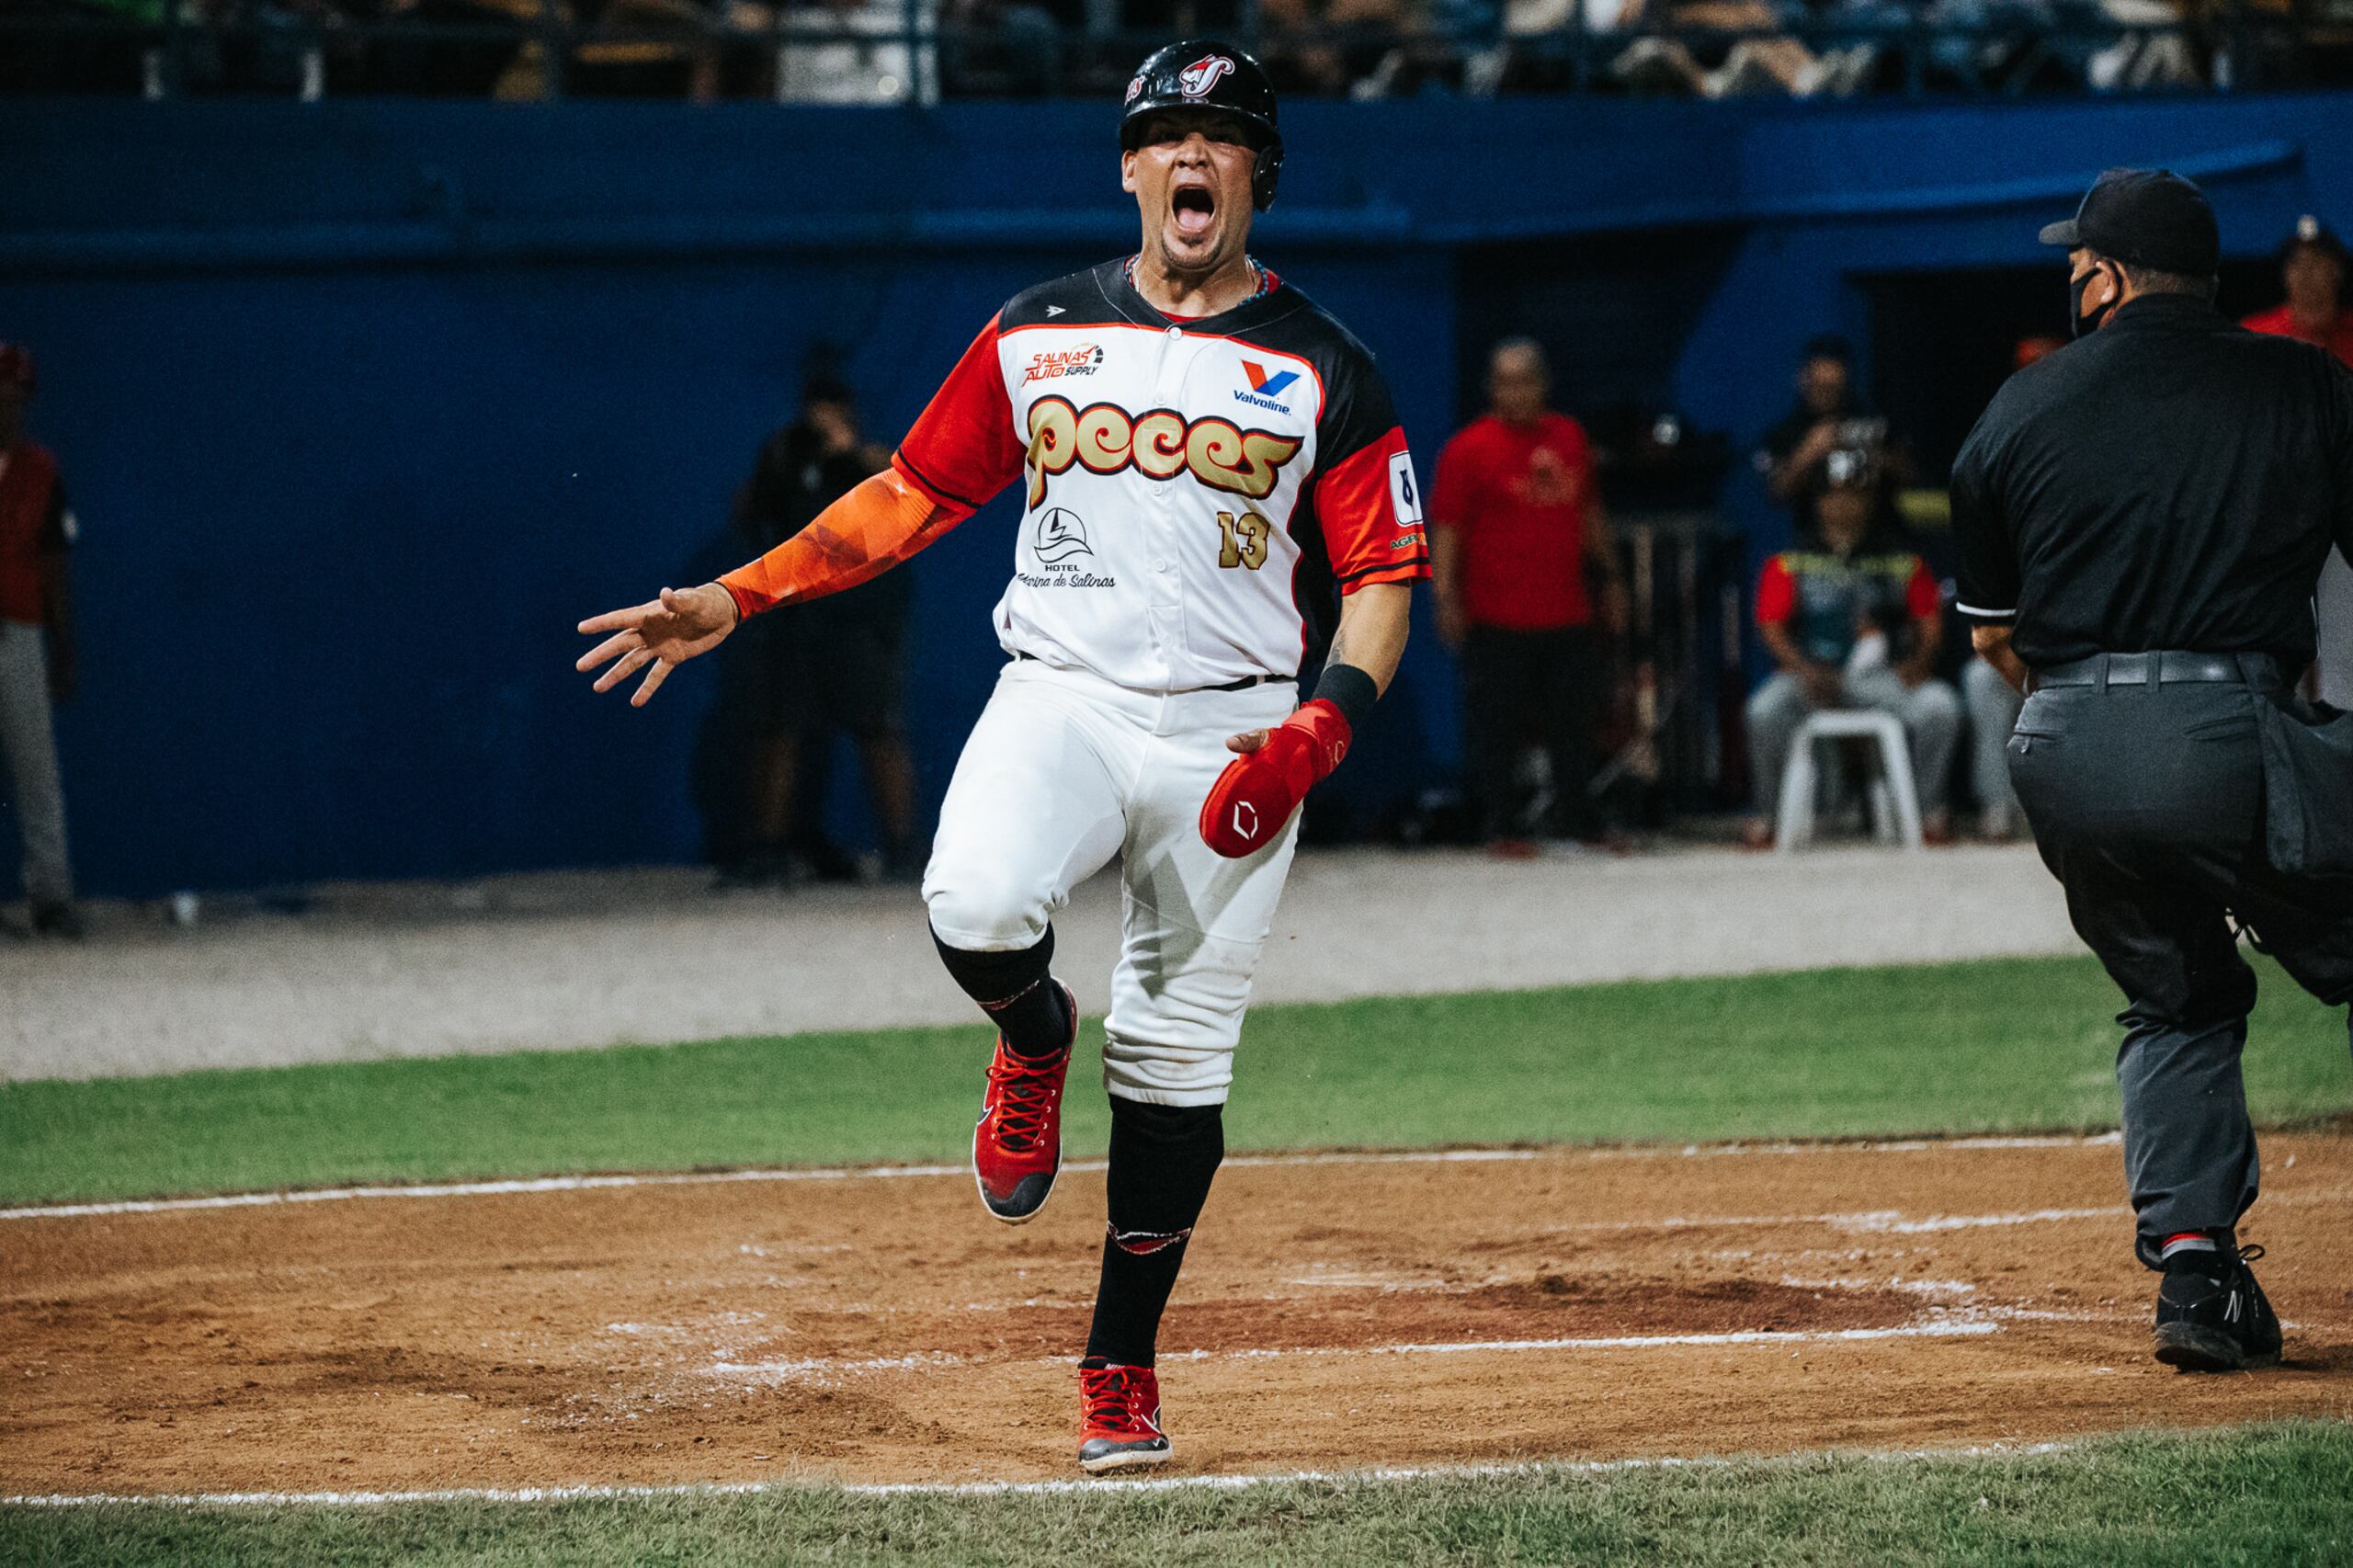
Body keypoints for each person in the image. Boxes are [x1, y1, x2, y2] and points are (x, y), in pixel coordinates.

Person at [576, 41, 1426, 1472]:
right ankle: (1034, 1033)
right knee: (972, 900)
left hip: (1238, 724)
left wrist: (1316, 732)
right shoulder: (1038, 332)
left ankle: (1119, 1367)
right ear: (1129, 168)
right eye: (1166, 134)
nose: (1192, 158)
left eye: (1221, 137)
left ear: (1258, 174)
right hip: (1066, 696)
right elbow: (911, 492)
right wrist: (740, 592)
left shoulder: (1327, 364)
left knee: (1174, 1060)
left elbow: (1387, 578)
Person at [1950, 168, 2353, 1373]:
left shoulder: (2019, 408)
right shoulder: (2309, 387)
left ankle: (2196, 1269)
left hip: (2062, 747)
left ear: (2112, 275)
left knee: (2175, 993)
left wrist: (2097, 719)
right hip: (2236, 732)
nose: (2070, 276)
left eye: (2078, 259)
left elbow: (1990, 632)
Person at [724, 374, 922, 883]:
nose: (823, 416)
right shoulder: (786, 457)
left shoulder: (868, 458)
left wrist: (847, 450)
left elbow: (905, 489)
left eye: (834, 406)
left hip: (857, 622)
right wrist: (779, 461)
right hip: (796, 620)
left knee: (879, 729)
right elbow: (746, 511)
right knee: (780, 731)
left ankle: (903, 850)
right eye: (817, 406)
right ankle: (767, 852)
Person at [1430, 337, 1623, 852]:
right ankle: (1502, 824)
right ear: (1491, 388)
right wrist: (1446, 598)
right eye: (1504, 382)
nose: (1514, 392)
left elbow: (1588, 513)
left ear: (1543, 384)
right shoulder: (1467, 449)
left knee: (1574, 723)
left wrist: (1611, 579)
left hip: (1567, 609)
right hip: (1496, 614)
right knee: (1497, 729)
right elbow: (1448, 530)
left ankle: (1579, 817)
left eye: (1525, 381)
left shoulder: (1569, 437)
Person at [1744, 444, 1961, 846]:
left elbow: (1930, 620)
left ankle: (1929, 812)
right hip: (1810, 677)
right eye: (1834, 493)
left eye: (1855, 493)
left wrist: (1918, 663)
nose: (1844, 502)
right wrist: (1804, 668)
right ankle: (1767, 817)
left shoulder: (1902, 559)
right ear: (1818, 499)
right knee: (1763, 710)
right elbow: (1770, 626)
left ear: (1871, 499)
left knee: (1939, 706)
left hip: (1881, 679)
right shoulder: (1790, 558)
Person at [2243, 216, 2353, 709]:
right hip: (2273, 513)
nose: (2309, 276)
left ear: (2338, 273)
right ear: (2285, 274)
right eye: (2298, 265)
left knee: (2344, 647)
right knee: (2269, 645)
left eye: (2319, 265)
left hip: (2343, 512)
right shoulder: (2254, 338)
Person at [0, 345, 82, 940]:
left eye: (17, 397)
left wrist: (65, 645)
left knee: (36, 769)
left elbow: (54, 562)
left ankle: (50, 899)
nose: (10, 407)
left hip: (20, 627)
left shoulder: (40, 469)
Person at [1755, 334, 1898, 540]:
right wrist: (1809, 452)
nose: (1827, 395)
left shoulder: (1872, 422)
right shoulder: (1786, 433)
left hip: (1878, 543)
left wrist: (1873, 454)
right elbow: (1775, 493)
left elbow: (1912, 475)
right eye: (1820, 388)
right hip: (1814, 546)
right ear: (1803, 379)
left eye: (1834, 389)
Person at [2240, 214, 2353, 364]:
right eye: (2296, 263)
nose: (2305, 272)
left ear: (2336, 271)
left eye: (2316, 261)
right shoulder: (2255, 334)